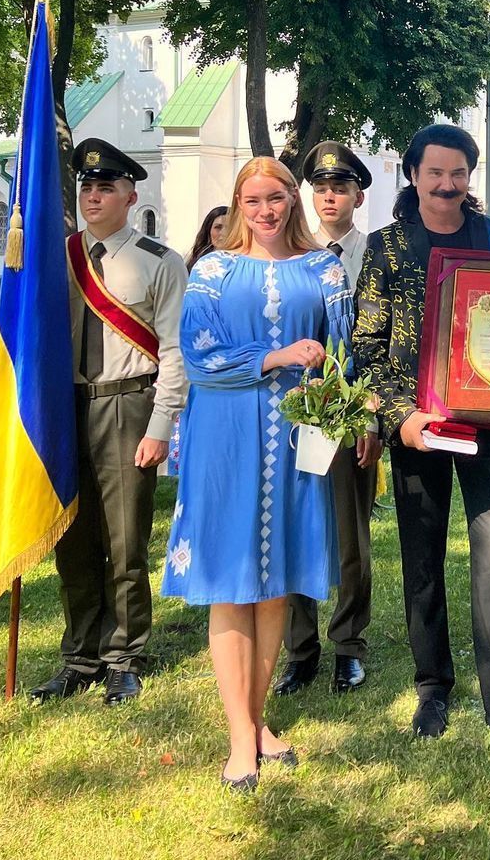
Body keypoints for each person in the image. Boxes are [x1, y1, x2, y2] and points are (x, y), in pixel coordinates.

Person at [354, 123, 490, 757]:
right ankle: (432, 687)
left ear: (470, 177)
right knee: (422, 557)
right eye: (435, 172)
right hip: (418, 429)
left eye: (458, 173)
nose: (447, 184)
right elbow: (367, 346)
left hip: (489, 420)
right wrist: (401, 419)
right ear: (413, 175)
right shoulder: (387, 246)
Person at [162, 156, 352, 791]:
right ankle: (241, 738)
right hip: (226, 433)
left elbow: (344, 348)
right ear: (238, 205)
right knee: (230, 581)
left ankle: (255, 718)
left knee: (274, 584)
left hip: (298, 437)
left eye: (276, 198)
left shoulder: (324, 268)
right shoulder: (212, 270)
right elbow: (199, 355)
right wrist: (275, 355)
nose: (265, 210)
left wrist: (333, 384)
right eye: (253, 200)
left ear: (292, 199)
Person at [31, 138, 187, 708]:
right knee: (72, 538)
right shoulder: (57, 257)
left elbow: (174, 350)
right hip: (63, 409)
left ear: (130, 196)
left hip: (128, 405)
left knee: (124, 542)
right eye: (86, 187)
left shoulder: (159, 261)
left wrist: (160, 425)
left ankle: (123, 656)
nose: (92, 196)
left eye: (105, 187)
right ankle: (80, 656)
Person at [277, 141, 382, 697]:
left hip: (355, 411)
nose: (329, 197)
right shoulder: (292, 254)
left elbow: (385, 345)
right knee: (297, 528)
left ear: (358, 197)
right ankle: (300, 649)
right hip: (300, 410)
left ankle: (347, 645)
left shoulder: (377, 255)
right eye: (320, 188)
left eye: (340, 188)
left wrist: (372, 418)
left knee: (350, 535)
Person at [185, 205, 229, 271]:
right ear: (208, 231)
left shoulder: (243, 264)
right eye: (218, 227)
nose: (224, 233)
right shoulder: (197, 265)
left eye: (229, 227)